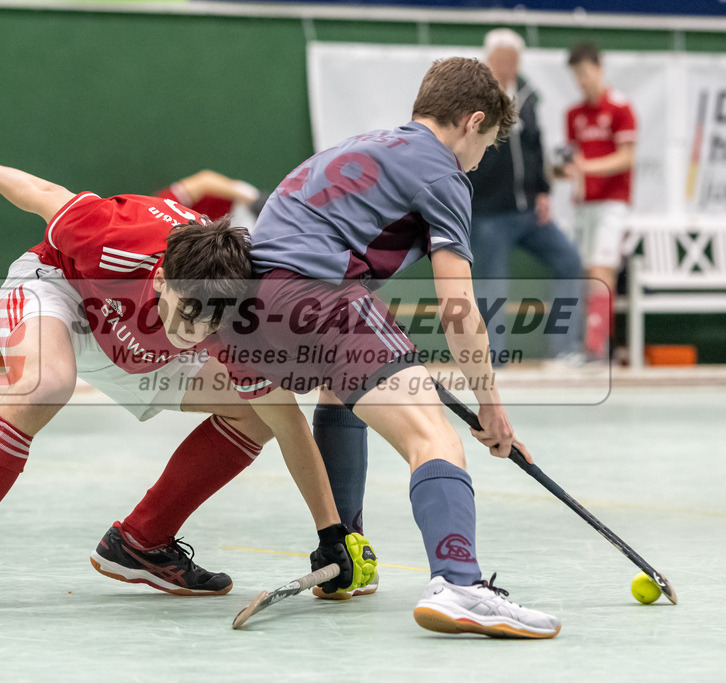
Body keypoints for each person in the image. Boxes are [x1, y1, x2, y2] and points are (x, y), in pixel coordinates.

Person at [117, 57, 562, 638]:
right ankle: (458, 583)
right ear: (474, 121)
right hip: (314, 298)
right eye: (487, 144)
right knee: (433, 438)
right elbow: (459, 308)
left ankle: (343, 555)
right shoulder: (444, 173)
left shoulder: (360, 147)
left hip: (242, 317)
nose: (480, 159)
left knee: (339, 388)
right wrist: (491, 406)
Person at [0, 154, 375, 617]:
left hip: (144, 350)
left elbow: (288, 422)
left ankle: (143, 542)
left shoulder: (230, 317)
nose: (196, 331)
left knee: (257, 412)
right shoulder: (114, 233)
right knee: (46, 384)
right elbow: (41, 192)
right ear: (162, 277)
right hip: (65, 293)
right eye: (189, 314)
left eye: (211, 322)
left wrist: (329, 532)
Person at [469, 29, 583, 364]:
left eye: (513, 59)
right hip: (489, 213)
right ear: (489, 60)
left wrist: (544, 193)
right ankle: (493, 359)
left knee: (569, 261)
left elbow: (534, 147)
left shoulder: (529, 96)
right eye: (501, 59)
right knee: (492, 283)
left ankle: (564, 350)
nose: (508, 66)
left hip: (530, 211)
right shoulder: (474, 100)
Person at [558, 41, 637, 361]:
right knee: (582, 272)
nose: (581, 81)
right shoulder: (573, 114)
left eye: (586, 74)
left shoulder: (620, 108)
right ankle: (582, 346)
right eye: (576, 75)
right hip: (583, 206)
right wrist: (565, 172)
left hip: (612, 204)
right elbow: (571, 161)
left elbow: (627, 157)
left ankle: (597, 349)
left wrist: (587, 167)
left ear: (599, 70)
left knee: (601, 272)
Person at [155, 169, 268, 227]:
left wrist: (255, 199)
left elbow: (206, 180)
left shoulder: (162, 203)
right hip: (227, 234)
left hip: (241, 205)